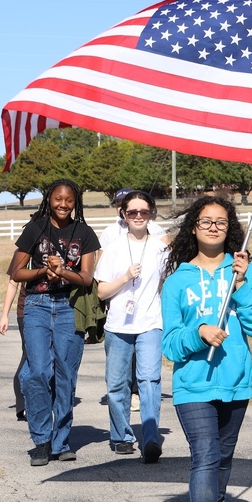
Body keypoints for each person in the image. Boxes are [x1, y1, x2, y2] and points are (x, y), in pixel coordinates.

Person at [160, 196, 252, 502]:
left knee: (223, 456)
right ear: (194, 226)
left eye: (220, 222)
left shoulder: (243, 272)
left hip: (236, 381)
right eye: (206, 221)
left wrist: (242, 285)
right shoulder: (178, 281)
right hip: (194, 383)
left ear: (230, 229)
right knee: (205, 454)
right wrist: (199, 333)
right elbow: (170, 344)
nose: (213, 227)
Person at [10, 179, 100, 467]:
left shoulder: (84, 233)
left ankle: (60, 442)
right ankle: (40, 440)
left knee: (66, 375)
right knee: (37, 372)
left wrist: (62, 272)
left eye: (69, 200)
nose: (63, 205)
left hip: (69, 307)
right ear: (49, 199)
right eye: (58, 199)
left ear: (76, 202)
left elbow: (86, 278)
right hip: (36, 306)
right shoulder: (35, 229)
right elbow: (16, 272)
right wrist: (42, 272)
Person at [95, 190, 169, 462]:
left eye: (144, 211)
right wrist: (126, 277)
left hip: (151, 323)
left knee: (149, 380)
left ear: (151, 214)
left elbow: (167, 282)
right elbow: (101, 292)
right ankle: (121, 436)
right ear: (123, 215)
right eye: (132, 212)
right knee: (117, 384)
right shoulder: (113, 249)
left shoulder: (161, 248)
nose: (138, 216)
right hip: (118, 326)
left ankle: (150, 437)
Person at [0, 256, 28, 421]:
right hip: (26, 311)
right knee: (29, 355)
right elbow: (13, 283)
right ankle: (22, 404)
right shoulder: (21, 252)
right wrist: (4, 316)